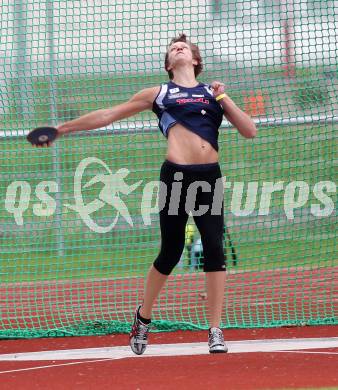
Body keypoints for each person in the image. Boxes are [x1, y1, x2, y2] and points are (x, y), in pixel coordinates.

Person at [38, 34, 257, 354]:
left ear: (195, 60)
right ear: (169, 64)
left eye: (185, 47)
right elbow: (107, 114)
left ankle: (215, 329)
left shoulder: (213, 94)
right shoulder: (159, 93)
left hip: (210, 177)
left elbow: (249, 130)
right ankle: (143, 317)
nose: (179, 48)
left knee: (214, 247)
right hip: (177, 177)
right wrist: (62, 129)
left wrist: (224, 98)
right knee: (170, 252)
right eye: (173, 49)